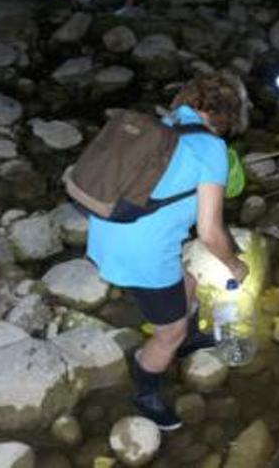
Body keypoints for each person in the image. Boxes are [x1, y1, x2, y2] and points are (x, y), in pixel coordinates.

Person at [86, 73, 249, 430]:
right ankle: (146, 392)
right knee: (166, 334)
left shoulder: (162, 125)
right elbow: (209, 231)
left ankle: (188, 339)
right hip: (142, 252)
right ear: (227, 115)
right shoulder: (211, 149)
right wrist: (234, 264)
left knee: (188, 278)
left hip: (105, 232)